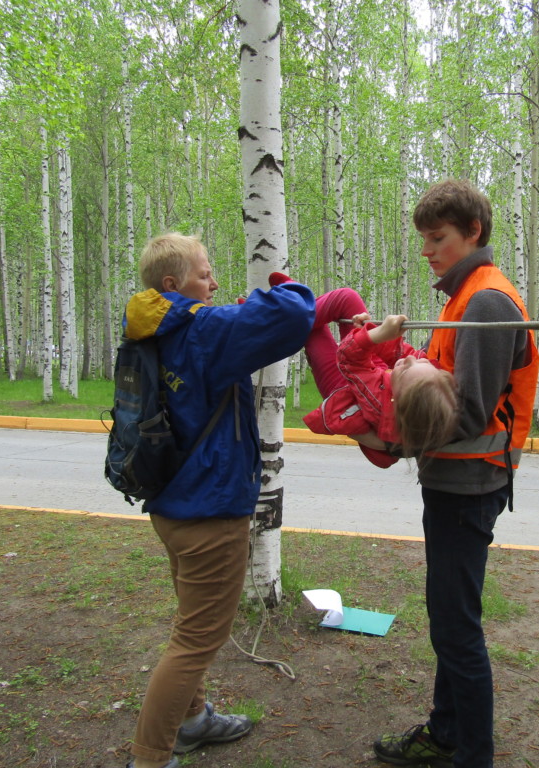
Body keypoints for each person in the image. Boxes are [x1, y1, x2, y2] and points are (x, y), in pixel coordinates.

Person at [123, 233, 315, 768]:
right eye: (205, 273)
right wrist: (280, 285)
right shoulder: (202, 329)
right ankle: (150, 758)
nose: (213, 281)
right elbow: (295, 313)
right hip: (209, 511)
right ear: (173, 283)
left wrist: (236, 313)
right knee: (196, 639)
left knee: (191, 623)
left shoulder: (151, 328)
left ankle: (192, 720)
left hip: (172, 502)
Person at [373, 180, 539, 768]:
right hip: (453, 480)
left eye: (437, 237)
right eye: (423, 238)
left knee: (456, 629)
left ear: (473, 232)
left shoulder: (486, 302)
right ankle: (445, 734)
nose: (427, 250)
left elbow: (468, 412)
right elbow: (445, 383)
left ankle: (472, 755)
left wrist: (392, 433)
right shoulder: (462, 296)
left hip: (470, 485)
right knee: (449, 620)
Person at [271, 274, 457, 467]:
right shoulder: (423, 388)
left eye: (404, 370)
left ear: (393, 398)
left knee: (318, 323)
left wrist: (376, 335)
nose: (410, 360)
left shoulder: (378, 397)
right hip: (372, 368)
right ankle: (288, 300)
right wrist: (375, 333)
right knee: (346, 300)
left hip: (344, 386)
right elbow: (403, 354)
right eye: (423, 362)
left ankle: (279, 310)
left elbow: (349, 358)